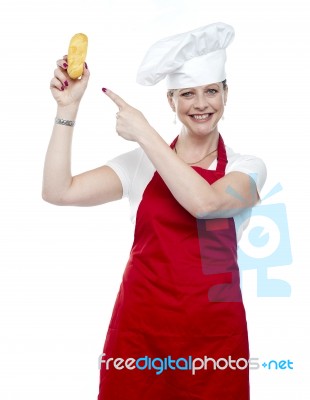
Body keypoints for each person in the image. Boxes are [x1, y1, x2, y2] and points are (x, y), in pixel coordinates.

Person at [43, 22, 266, 399]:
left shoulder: (246, 168)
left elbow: (205, 204)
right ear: (171, 101)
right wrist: (68, 109)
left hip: (214, 340)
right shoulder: (140, 165)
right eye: (187, 94)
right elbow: (58, 191)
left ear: (226, 95)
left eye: (211, 91)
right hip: (139, 333)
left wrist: (145, 133)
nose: (201, 104)